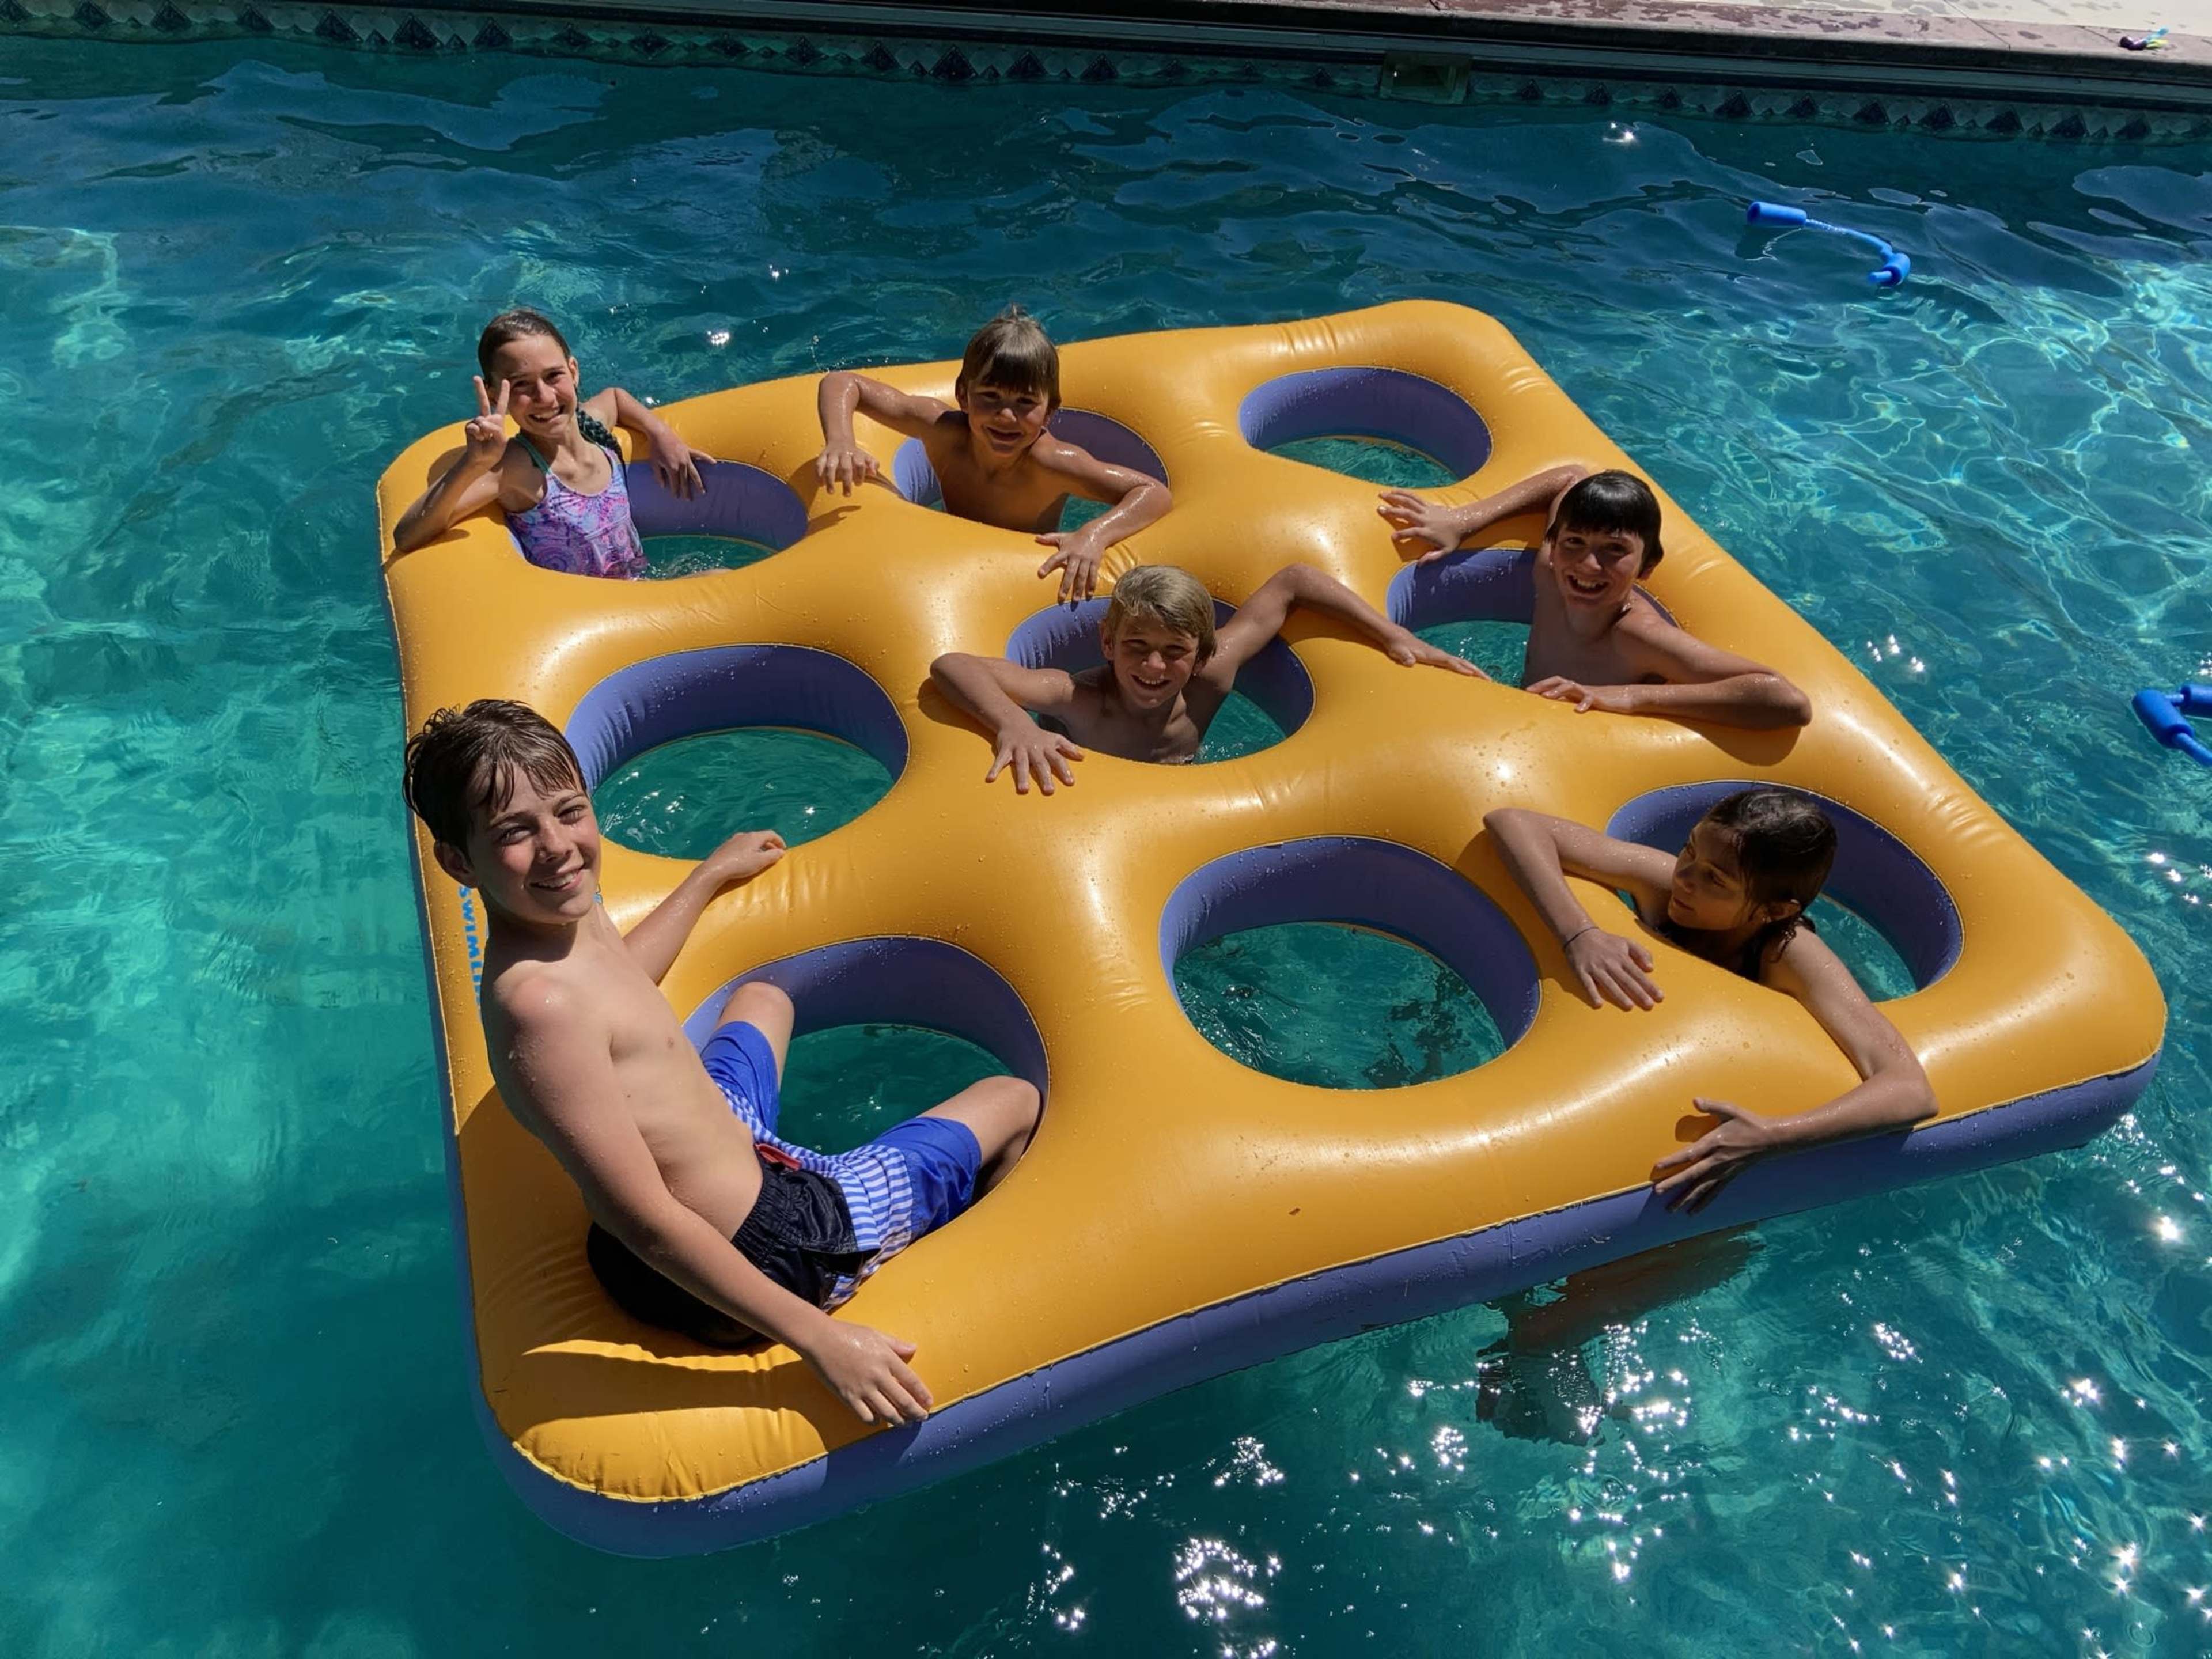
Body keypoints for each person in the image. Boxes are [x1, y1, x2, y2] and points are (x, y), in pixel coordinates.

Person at [401, 699, 1040, 1425]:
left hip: (720, 1175)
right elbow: (641, 1218)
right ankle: (953, 1261)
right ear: (457, 861)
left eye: (569, 811)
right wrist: (820, 1340)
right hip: (778, 1244)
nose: (557, 847)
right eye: (515, 832)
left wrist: (704, 880)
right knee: (1011, 1098)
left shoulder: (564, 904)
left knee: (764, 998)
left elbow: (620, 986)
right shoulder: (538, 1009)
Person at [1483, 790, 1934, 1212]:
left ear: (1776, 911)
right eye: (1689, 849)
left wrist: (1771, 1137)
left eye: (1715, 879)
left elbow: (1910, 1089)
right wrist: (1580, 933)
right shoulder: (1668, 887)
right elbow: (1513, 822)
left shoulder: (1789, 955)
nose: (1686, 877)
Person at [931, 562, 1481, 791]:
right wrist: (1014, 725)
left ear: (1201, 655)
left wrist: (1392, 634)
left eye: (1174, 652)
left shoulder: (1210, 679)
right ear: (1107, 644)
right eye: (1136, 648)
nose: (1153, 667)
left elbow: (1294, 581)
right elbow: (952, 665)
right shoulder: (1079, 697)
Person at [1378, 467, 1812, 730]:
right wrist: (1464, 521)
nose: (1588, 565)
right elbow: (1569, 477)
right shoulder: (1550, 573)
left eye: (1615, 550)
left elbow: (1785, 701)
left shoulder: (1638, 636)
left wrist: (1626, 697)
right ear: (1553, 542)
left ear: (1647, 567)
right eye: (1574, 542)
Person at [814, 307, 1171, 603]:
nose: (1006, 417)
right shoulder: (943, 432)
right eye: (990, 396)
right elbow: (843, 382)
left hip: (1019, 581)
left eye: (1026, 403)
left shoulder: (1052, 463)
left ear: (1050, 412)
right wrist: (842, 441)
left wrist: (1093, 534)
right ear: (963, 395)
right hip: (950, 562)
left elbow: (1153, 493)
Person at [391, 309, 713, 577]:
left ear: (573, 371)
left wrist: (662, 435)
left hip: (638, 589)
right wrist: (473, 463)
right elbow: (407, 536)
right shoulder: (517, 469)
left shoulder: (592, 430)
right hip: (590, 625)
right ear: (493, 394)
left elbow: (616, 397)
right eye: (521, 385)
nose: (544, 398)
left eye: (553, 376)